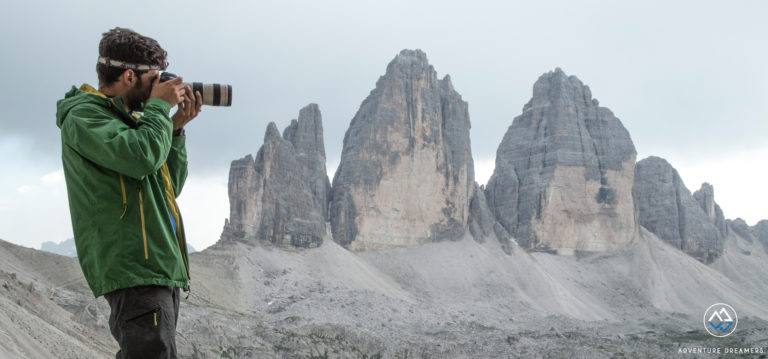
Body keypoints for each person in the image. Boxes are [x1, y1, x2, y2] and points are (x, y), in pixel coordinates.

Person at [55, 27, 201, 358]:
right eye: (155, 81)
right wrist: (159, 111)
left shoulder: (131, 123)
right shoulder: (85, 116)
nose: (160, 89)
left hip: (155, 264)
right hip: (135, 264)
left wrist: (175, 130)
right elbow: (140, 158)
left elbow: (167, 188)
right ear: (130, 76)